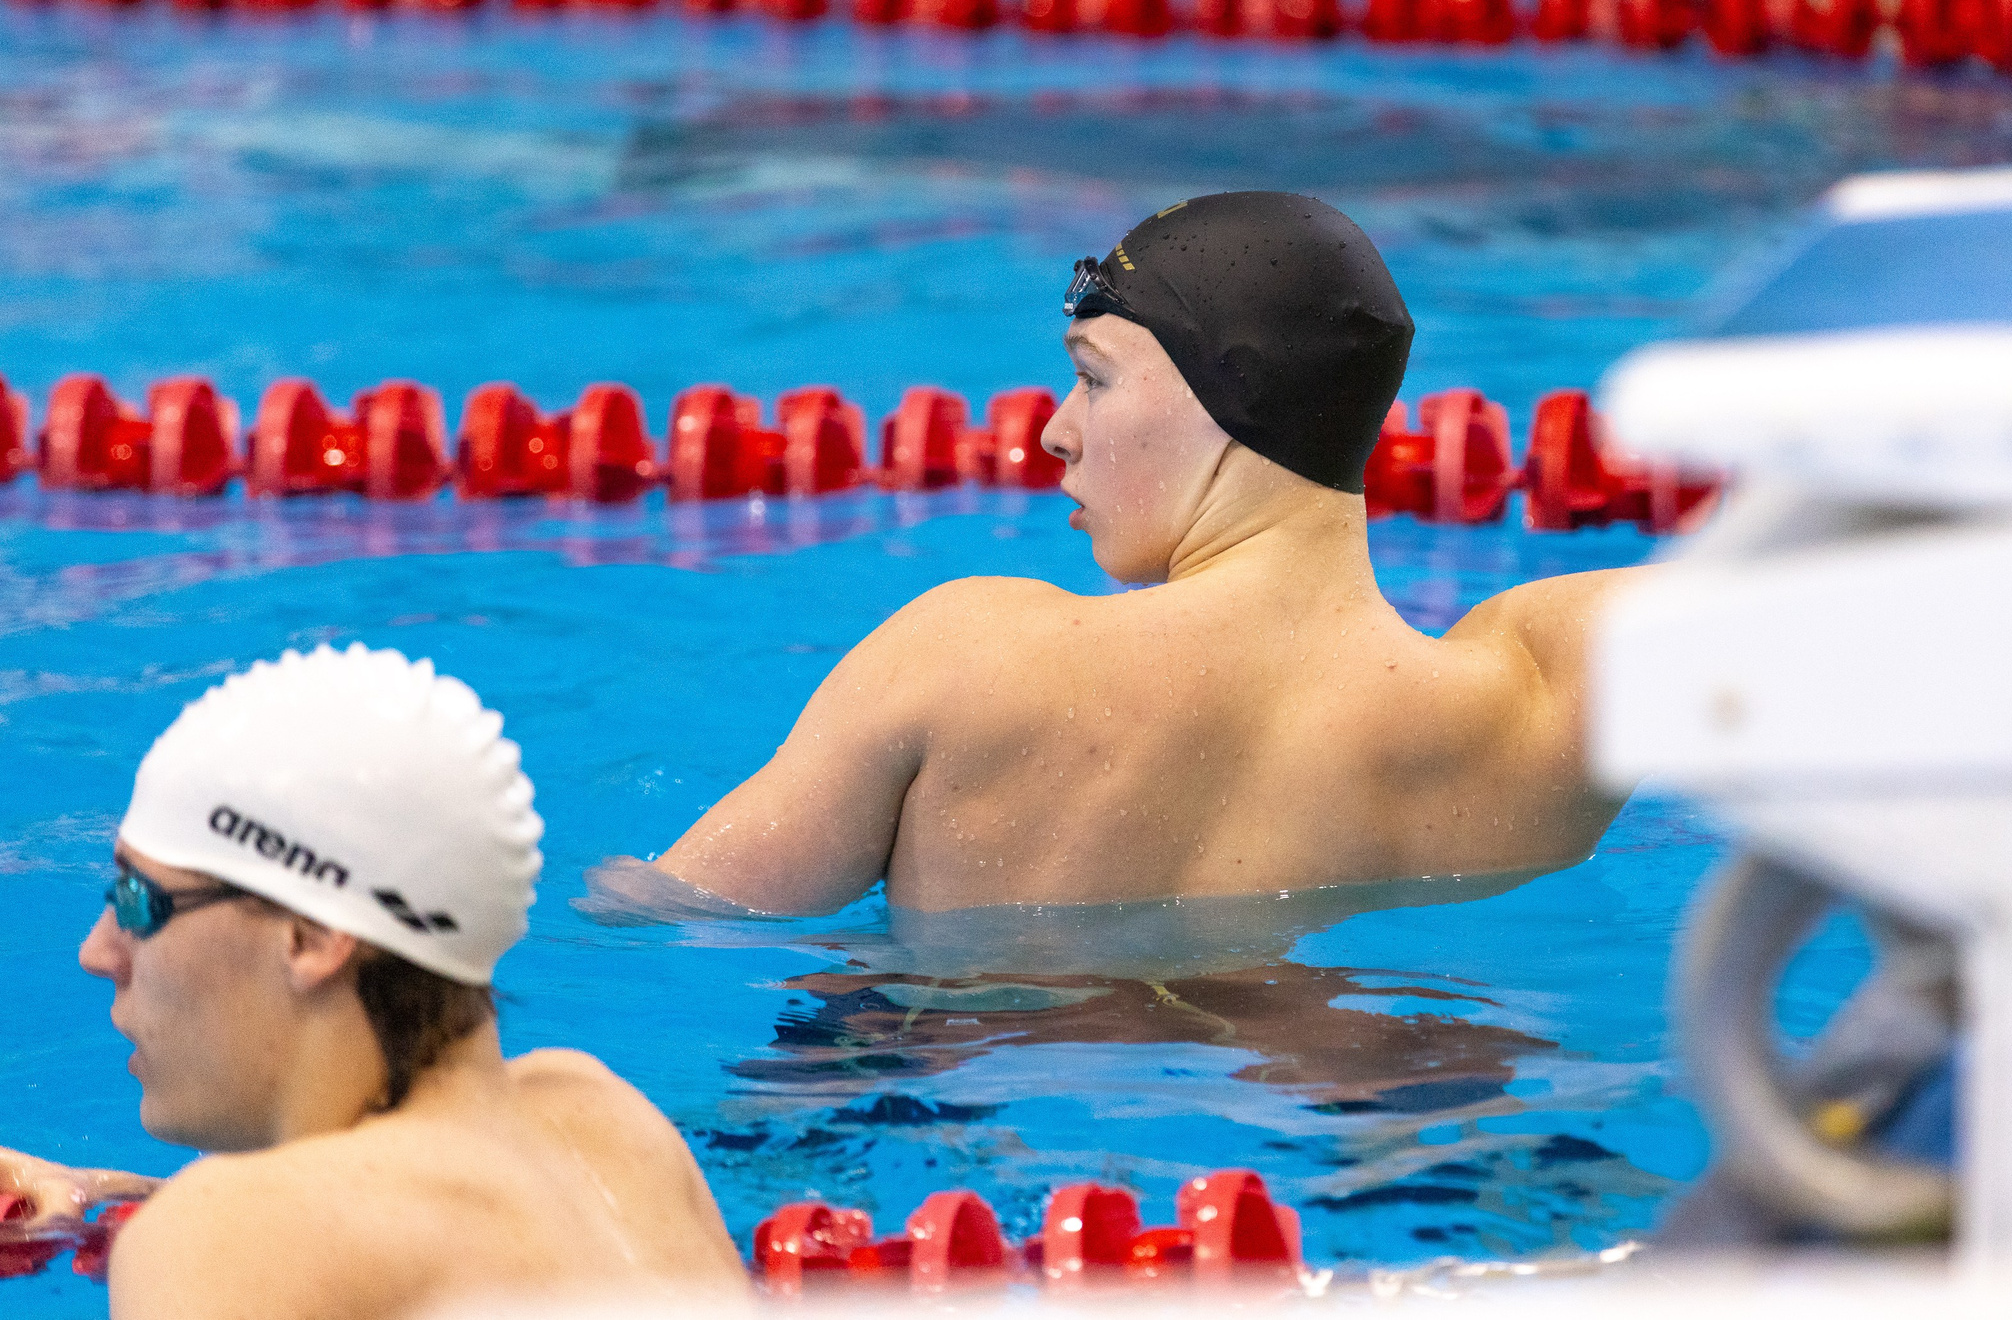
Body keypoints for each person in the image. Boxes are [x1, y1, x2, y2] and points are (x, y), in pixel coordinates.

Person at [640, 191, 1636, 915]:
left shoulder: (968, 653)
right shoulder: (1542, 706)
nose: (1054, 433)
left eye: (1095, 379)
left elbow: (670, 919)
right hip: (1358, 1121)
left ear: (1232, 394)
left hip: (958, 1125)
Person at [0, 645, 747, 1318]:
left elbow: (280, 1240)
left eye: (138, 901)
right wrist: (97, 1210)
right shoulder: (605, 1122)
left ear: (312, 938)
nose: (97, 952)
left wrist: (179, 1237)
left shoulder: (220, 1237)